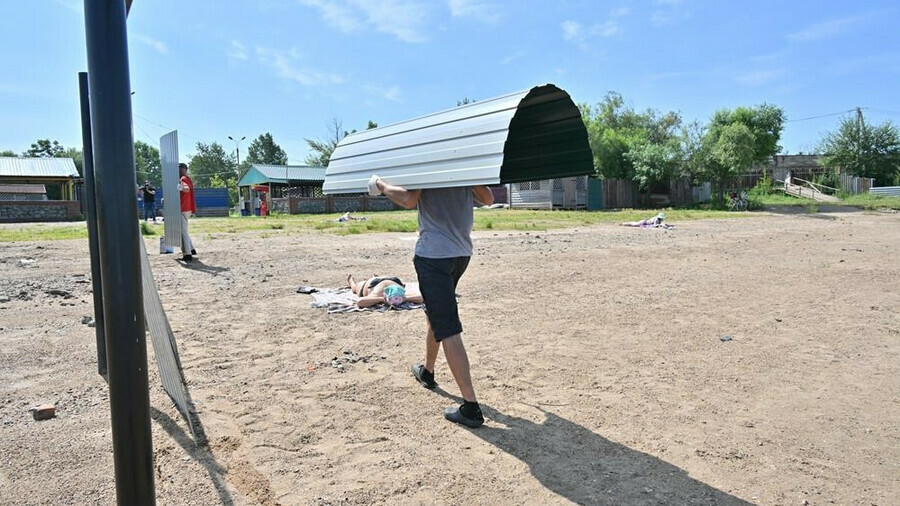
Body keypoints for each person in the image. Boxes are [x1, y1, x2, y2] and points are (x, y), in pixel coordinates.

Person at [369, 174, 494, 428]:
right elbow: (489, 199)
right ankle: (428, 371)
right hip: (460, 254)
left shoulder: (428, 166)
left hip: (433, 257)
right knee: (434, 311)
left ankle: (470, 407)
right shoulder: (462, 169)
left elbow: (407, 199)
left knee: (447, 326)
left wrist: (380, 185)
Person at [347, 274, 424, 308]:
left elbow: (423, 297)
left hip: (391, 281)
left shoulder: (401, 293)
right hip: (376, 284)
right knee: (354, 288)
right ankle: (351, 281)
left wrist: (382, 299)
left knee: (357, 287)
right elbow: (360, 302)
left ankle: (374, 277)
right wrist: (382, 299)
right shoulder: (377, 294)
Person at [177, 163, 197, 261]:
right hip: (188, 208)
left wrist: (181, 188)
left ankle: (187, 254)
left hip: (183, 209)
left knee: (183, 232)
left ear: (182, 169)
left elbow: (186, 189)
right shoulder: (188, 178)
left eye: (178, 169)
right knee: (184, 230)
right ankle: (192, 249)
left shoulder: (183, 179)